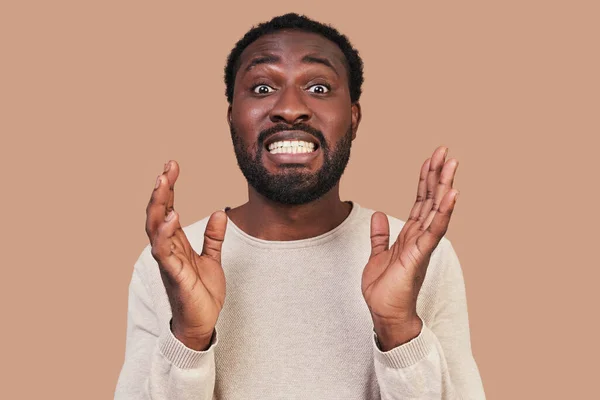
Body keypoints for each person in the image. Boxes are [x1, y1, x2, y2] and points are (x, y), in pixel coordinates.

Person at [114, 12, 486, 400]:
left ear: (354, 119)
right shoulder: (169, 264)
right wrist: (189, 340)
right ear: (231, 118)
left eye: (319, 88)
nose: (290, 109)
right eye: (261, 88)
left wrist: (398, 330)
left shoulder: (421, 258)